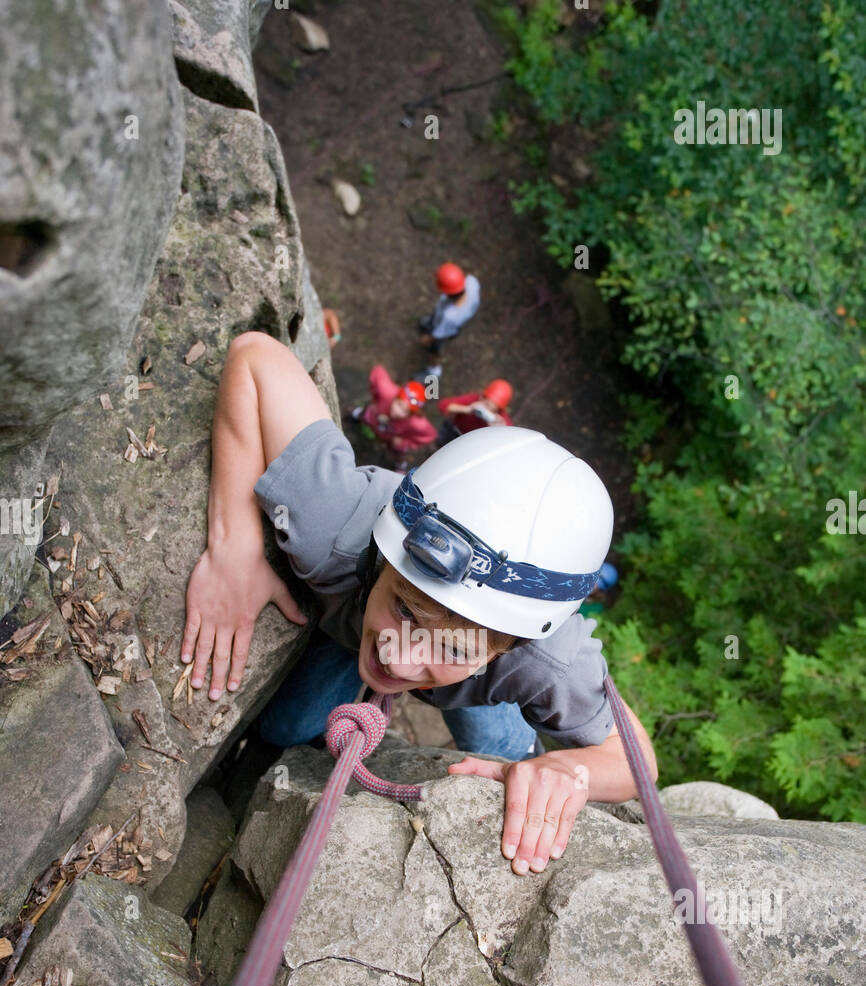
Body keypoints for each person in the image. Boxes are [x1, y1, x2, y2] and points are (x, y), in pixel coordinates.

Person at [181, 333, 658, 878]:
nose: (399, 661)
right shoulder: (334, 525)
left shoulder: (541, 663)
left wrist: (567, 770)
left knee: (504, 754)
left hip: (476, 681)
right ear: (385, 556)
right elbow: (254, 356)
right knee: (285, 729)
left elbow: (636, 763)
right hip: (349, 611)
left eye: (454, 644)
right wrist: (235, 544)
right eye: (408, 610)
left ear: (516, 644)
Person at [349, 365, 436, 467]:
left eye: (405, 411)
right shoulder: (387, 392)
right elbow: (378, 371)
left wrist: (404, 442)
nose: (397, 412)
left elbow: (429, 435)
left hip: (392, 437)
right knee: (365, 415)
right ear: (396, 396)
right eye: (399, 404)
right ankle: (356, 414)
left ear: (412, 414)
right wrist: (375, 399)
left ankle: (400, 464)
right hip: (373, 417)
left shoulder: (416, 423)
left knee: (398, 452)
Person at [418, 262, 481, 378]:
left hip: (444, 330)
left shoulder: (450, 316)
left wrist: (428, 338)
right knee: (433, 321)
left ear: (448, 293)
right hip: (447, 321)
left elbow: (438, 334)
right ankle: (430, 322)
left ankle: (434, 370)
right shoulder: (472, 282)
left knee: (434, 349)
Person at [436, 378, 513, 446]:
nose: (486, 406)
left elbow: (511, 439)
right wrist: (467, 409)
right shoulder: (474, 399)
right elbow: (443, 405)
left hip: (469, 445)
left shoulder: (501, 419)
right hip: (452, 434)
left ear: (499, 408)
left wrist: (499, 431)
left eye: (491, 405)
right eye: (485, 400)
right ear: (483, 397)